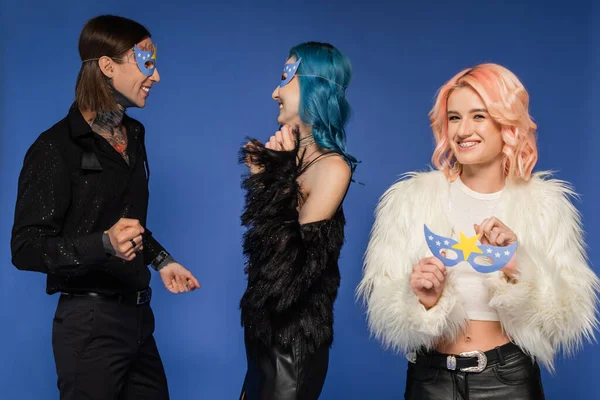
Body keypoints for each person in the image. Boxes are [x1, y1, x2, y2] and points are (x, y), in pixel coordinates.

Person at [357, 63, 599, 399]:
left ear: (507, 124)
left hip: (509, 380)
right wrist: (424, 302)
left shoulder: (545, 206)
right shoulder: (409, 201)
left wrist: (519, 270)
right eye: (454, 117)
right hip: (430, 380)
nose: (462, 130)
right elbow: (383, 303)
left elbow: (569, 313)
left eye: (479, 116)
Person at [10, 15, 200, 400]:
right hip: (89, 325)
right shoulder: (54, 148)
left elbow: (123, 223)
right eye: (146, 61)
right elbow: (25, 248)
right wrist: (103, 245)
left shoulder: (133, 133)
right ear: (108, 66)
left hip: (139, 320)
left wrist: (163, 262)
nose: (157, 76)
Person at [238, 42, 357, 399]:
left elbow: (287, 274)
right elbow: (263, 253)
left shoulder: (333, 167)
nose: (275, 91)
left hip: (293, 348)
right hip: (261, 341)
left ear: (313, 86)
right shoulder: (291, 161)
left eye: (285, 77)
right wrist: (273, 175)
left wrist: (270, 180)